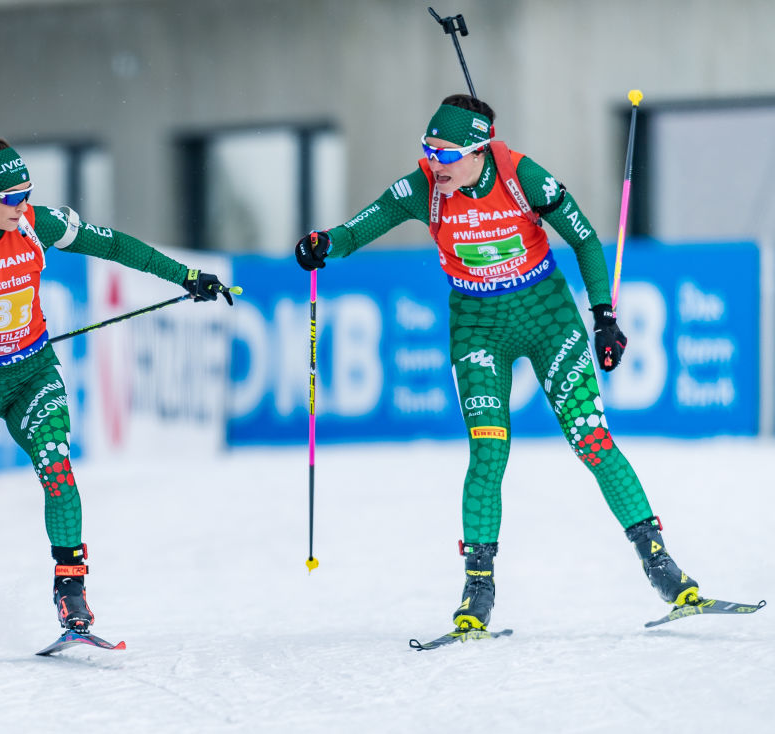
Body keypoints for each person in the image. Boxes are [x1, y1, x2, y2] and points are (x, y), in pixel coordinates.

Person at [294, 94, 701, 632]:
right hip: (477, 328)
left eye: (442, 153)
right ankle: (477, 587)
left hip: (548, 318)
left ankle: (659, 562)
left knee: (592, 441)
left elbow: (582, 239)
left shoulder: (522, 177)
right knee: (488, 451)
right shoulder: (424, 188)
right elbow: (360, 228)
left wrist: (603, 316)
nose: (431, 163)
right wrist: (325, 243)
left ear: (476, 150)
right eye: (426, 150)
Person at [0, 137, 234, 657]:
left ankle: (71, 593)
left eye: (27, 193)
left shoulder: (36, 222)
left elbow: (116, 245)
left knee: (58, 471)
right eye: (11, 197)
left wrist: (186, 276)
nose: (21, 205)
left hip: (32, 376)